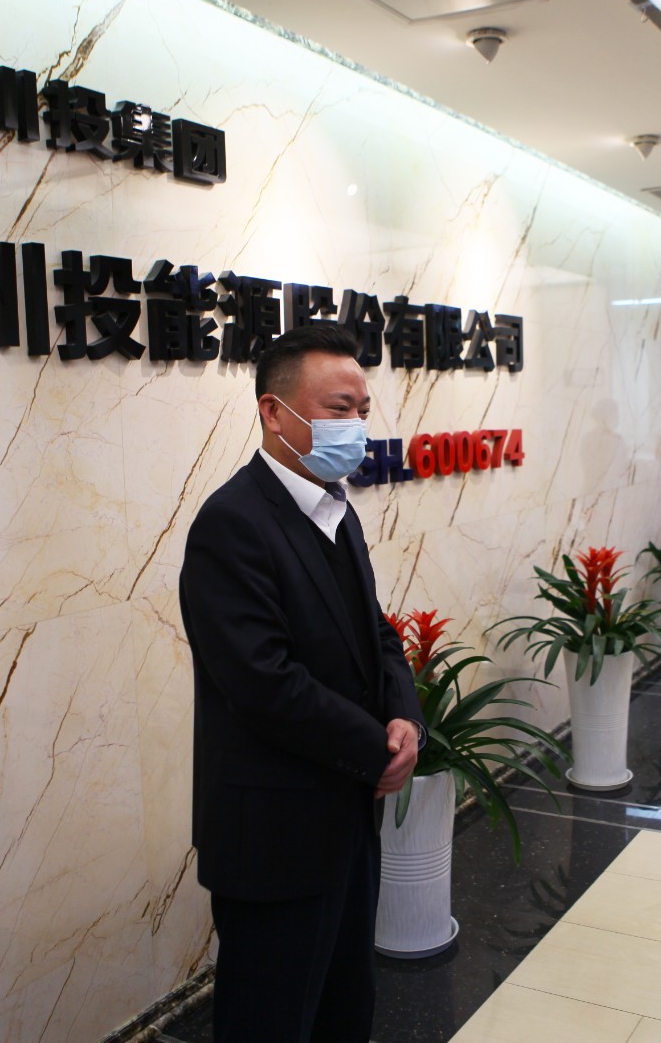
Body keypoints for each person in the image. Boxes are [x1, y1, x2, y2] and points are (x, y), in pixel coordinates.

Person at [178, 325, 426, 1043]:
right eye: (338, 409)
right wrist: (375, 748)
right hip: (274, 837)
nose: (356, 427)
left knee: (345, 1007)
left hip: (346, 820)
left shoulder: (334, 507)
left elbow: (375, 630)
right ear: (274, 412)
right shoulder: (232, 524)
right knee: (271, 1018)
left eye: (362, 411)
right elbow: (265, 682)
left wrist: (405, 718)